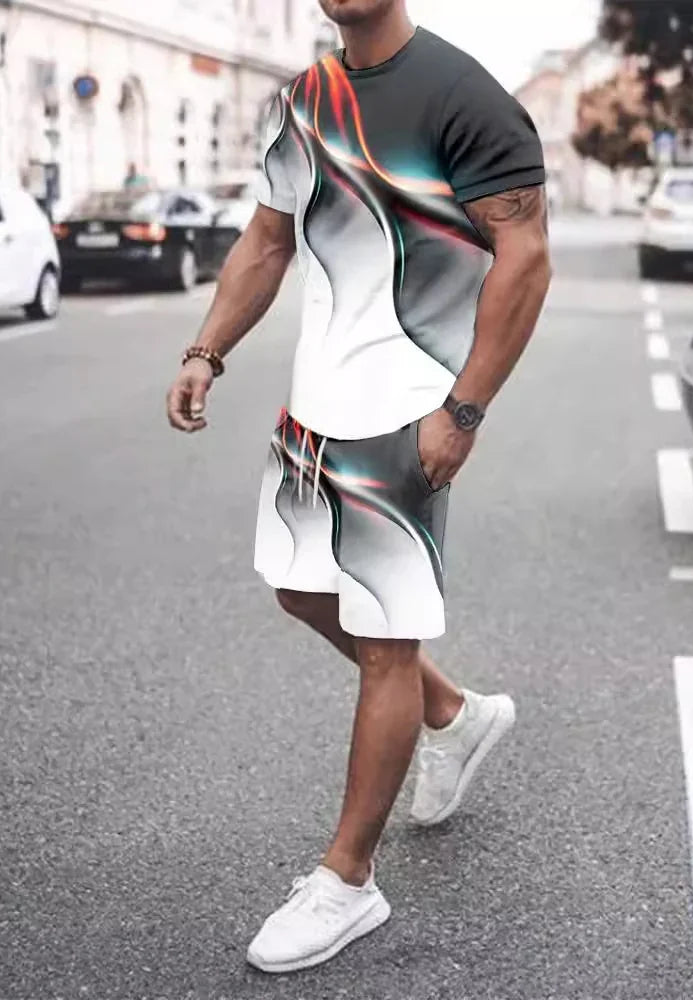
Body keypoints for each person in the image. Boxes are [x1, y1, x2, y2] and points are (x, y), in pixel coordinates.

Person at [165, 0, 551, 974]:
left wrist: (463, 408)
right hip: (315, 408)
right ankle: (456, 714)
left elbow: (526, 255)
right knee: (300, 589)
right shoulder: (304, 100)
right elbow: (265, 240)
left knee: (385, 641)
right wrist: (208, 349)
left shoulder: (466, 97)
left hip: (408, 410)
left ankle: (348, 880)